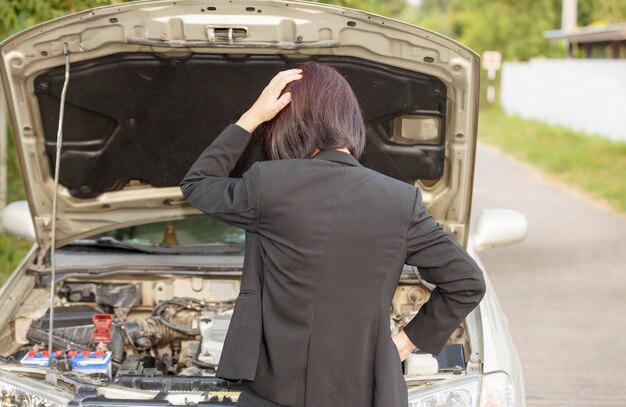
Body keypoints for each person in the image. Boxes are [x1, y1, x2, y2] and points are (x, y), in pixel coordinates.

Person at [180, 62, 486, 407]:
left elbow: (198, 185)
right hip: (364, 393)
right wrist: (402, 344)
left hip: (270, 392)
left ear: (288, 122)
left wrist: (251, 117)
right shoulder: (400, 201)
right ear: (349, 121)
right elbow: (467, 282)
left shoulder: (270, 183)